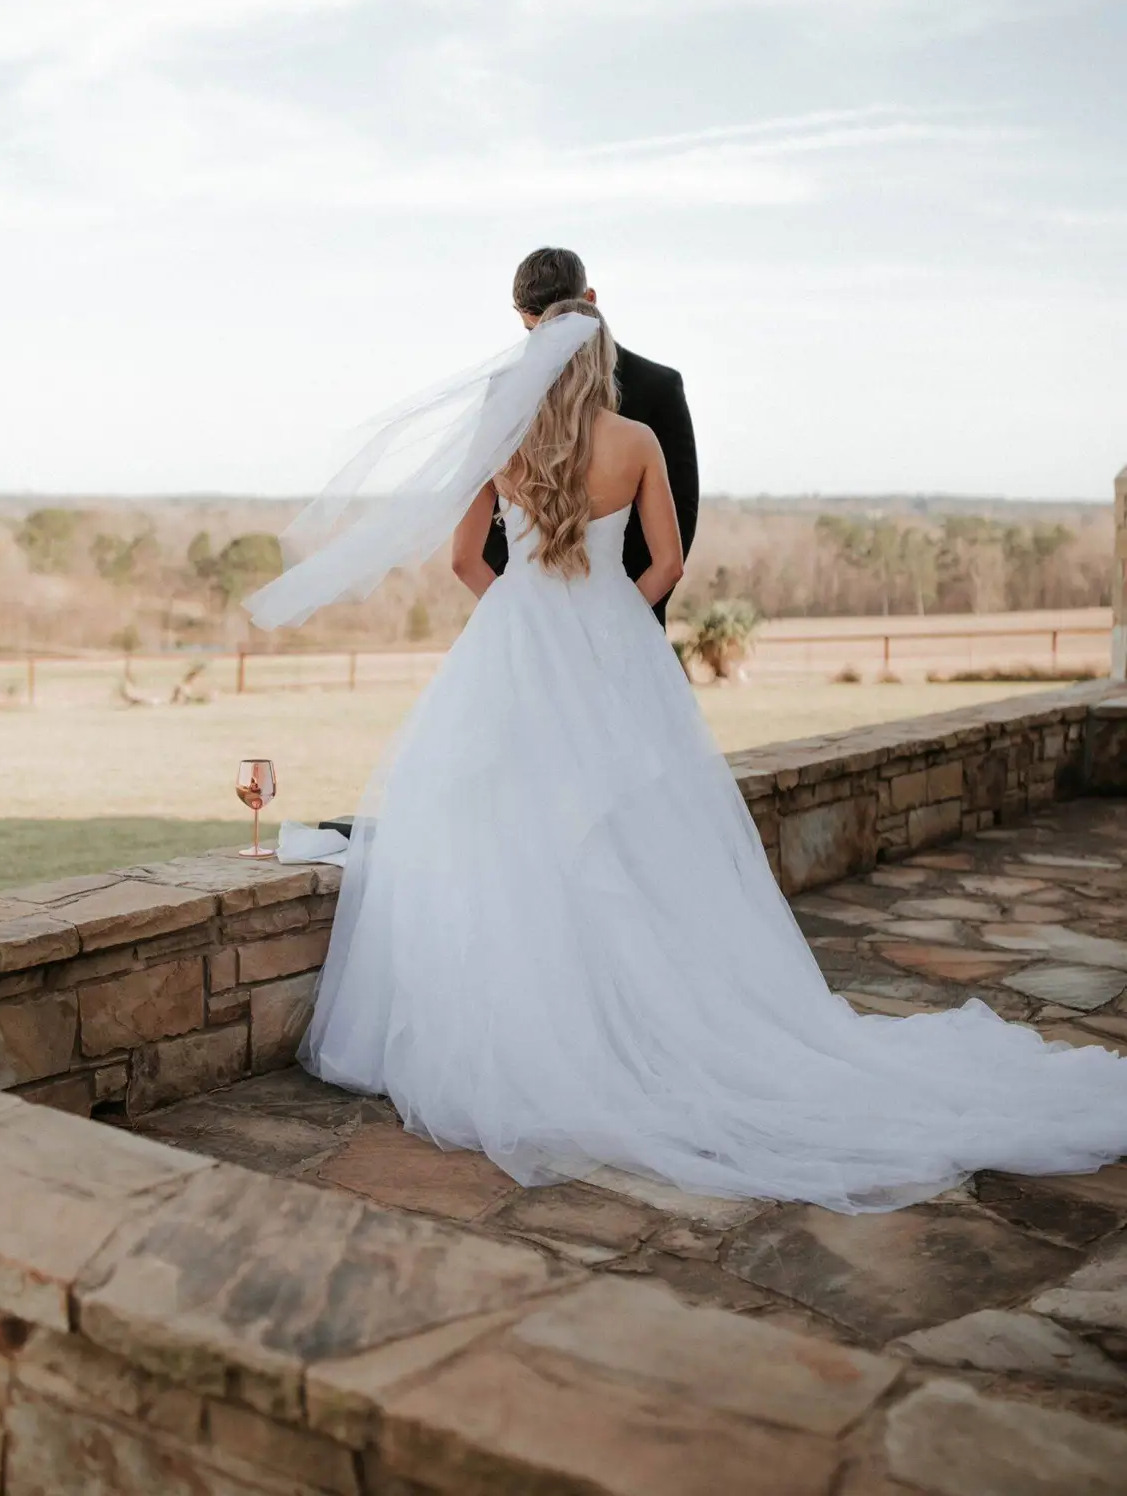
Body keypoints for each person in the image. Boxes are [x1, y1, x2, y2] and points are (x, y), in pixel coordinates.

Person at [245, 303, 1127, 1212]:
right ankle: (640, 1012)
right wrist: (610, 616)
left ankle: (539, 1025)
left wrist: (523, 612)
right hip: (611, 645)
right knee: (631, 832)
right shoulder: (633, 440)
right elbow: (667, 563)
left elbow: (467, 559)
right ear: (599, 364)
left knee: (505, 824)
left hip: (514, 648)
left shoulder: (500, 441)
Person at [482, 247, 697, 625]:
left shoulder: (657, 387)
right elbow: (487, 521)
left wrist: (619, 615)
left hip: (622, 619)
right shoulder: (505, 391)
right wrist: (527, 605)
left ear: (591, 301)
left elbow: (680, 515)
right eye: (535, 330)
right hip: (529, 621)